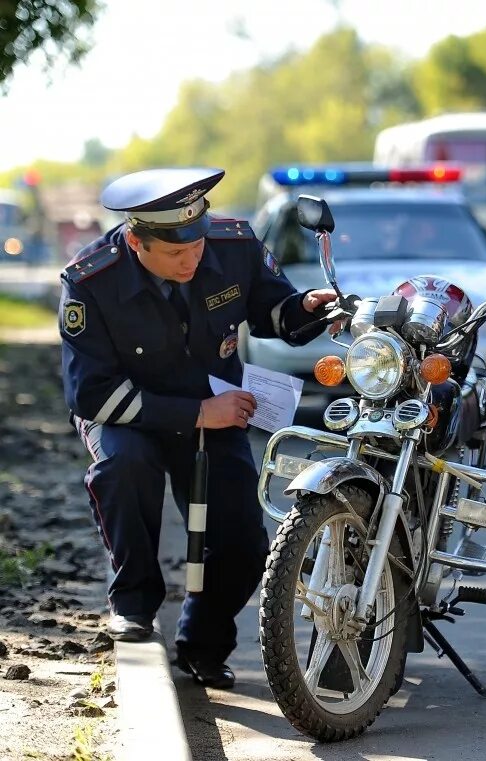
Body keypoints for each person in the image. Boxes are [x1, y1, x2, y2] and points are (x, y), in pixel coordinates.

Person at [59, 167, 338, 689]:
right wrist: (193, 414)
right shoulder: (91, 280)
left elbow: (274, 312)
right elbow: (91, 394)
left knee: (242, 539)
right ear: (136, 241)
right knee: (126, 468)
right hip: (128, 413)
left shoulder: (232, 246)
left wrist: (308, 310)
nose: (192, 259)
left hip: (216, 407)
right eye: (176, 254)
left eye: (197, 246)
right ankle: (134, 603)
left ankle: (203, 644)